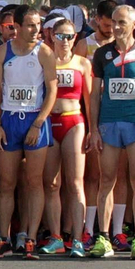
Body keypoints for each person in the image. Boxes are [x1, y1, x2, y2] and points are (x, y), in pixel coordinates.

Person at [85, 5, 135, 259]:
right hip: (109, 125)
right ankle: (103, 237)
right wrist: (93, 129)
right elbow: (94, 95)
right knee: (106, 180)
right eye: (114, 22)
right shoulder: (102, 54)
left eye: (122, 22)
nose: (117, 27)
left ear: (134, 23)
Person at [0, 6, 58, 258]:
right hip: (8, 119)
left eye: (38, 24)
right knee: (6, 183)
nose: (35, 29)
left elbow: (52, 90)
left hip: (34, 119)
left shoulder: (45, 52)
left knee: (34, 181)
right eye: (29, 25)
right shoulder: (2, 52)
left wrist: (38, 123)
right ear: (15, 26)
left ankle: (30, 238)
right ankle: (4, 238)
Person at [42, 16, 92, 256]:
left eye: (70, 36)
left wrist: (94, 130)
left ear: (75, 38)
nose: (65, 41)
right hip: (49, 123)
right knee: (52, 183)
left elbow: (90, 100)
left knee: (75, 183)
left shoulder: (82, 63)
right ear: (52, 35)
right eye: (60, 36)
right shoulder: (45, 59)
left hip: (74, 122)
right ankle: (56, 237)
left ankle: (78, 238)